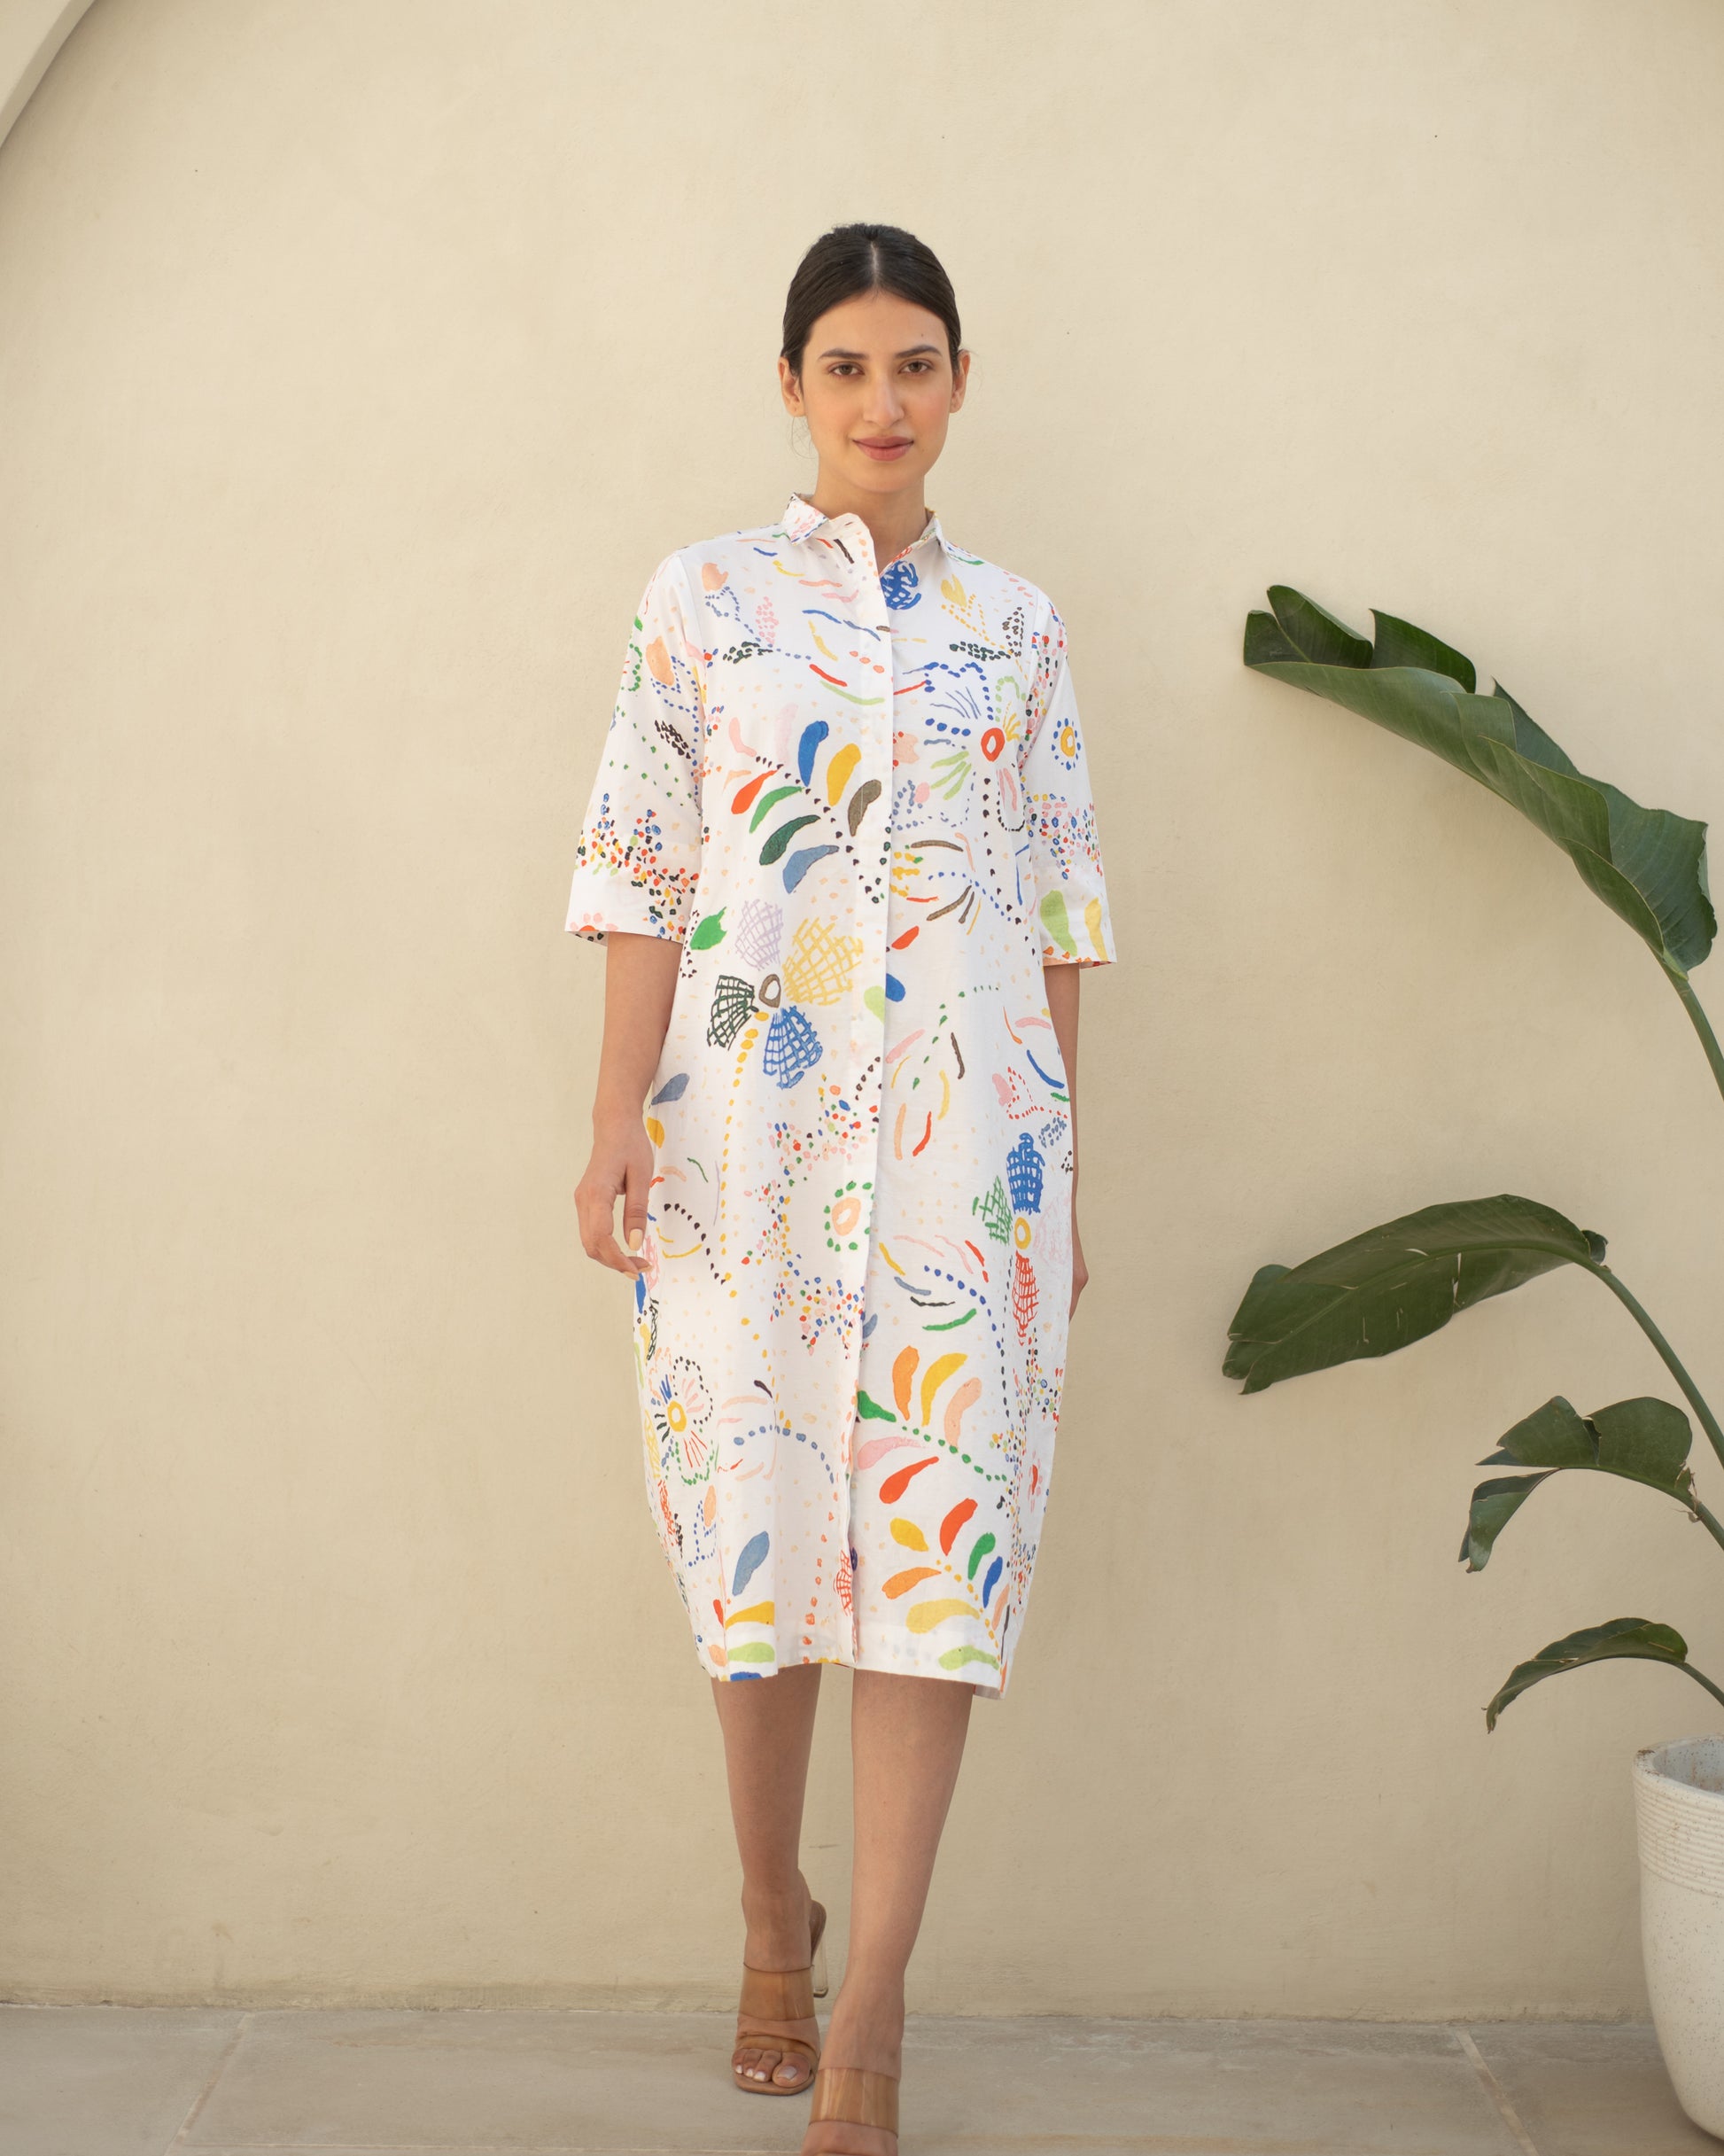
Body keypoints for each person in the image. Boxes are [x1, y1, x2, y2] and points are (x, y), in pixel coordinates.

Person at [565, 222, 1116, 2154]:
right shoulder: (702, 600)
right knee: (760, 1551)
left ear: (960, 382)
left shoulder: (1017, 629)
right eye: (848, 366)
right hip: (747, 1149)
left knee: (931, 1567)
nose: (885, 401)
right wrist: (615, 1115)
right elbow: (644, 868)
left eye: (918, 362)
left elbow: (1057, 907)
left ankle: (871, 2006)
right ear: (791, 385)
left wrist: (1063, 1170)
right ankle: (766, 1917)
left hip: (973, 1158)